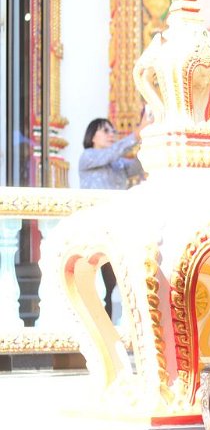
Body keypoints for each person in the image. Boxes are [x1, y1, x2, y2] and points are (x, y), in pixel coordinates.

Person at [79, 114, 150, 319]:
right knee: (97, 283)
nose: (111, 134)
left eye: (112, 130)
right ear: (92, 136)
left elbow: (138, 166)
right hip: (94, 230)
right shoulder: (88, 156)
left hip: (116, 229)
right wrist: (135, 134)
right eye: (105, 130)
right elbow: (111, 153)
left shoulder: (117, 163)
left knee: (115, 280)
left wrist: (147, 140)